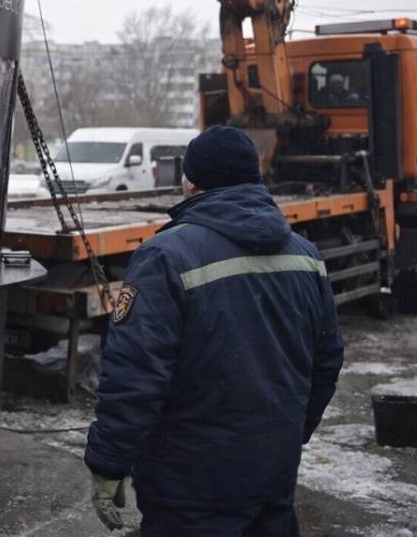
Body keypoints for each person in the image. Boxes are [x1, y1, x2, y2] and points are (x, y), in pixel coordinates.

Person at [84, 125, 344, 536]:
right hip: (273, 473)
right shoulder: (305, 256)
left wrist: (108, 462)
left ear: (190, 181)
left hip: (189, 486)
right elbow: (326, 361)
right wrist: (289, 433)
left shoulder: (165, 257)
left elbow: (136, 375)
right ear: (254, 178)